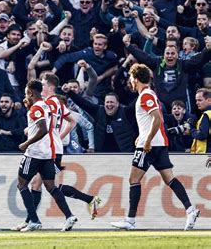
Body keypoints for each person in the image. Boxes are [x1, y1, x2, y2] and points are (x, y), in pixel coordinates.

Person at [111, 63, 200, 231]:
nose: (130, 82)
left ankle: (130, 220)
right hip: (157, 143)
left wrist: (146, 140)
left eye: (131, 79)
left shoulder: (146, 95)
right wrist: (142, 136)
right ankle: (190, 210)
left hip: (150, 145)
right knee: (169, 179)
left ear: (135, 79)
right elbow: (151, 120)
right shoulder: (148, 95)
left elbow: (157, 119)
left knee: (133, 180)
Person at [14, 73, 100, 231]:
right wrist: (59, 137)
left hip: (48, 149)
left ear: (50, 86)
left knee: (51, 186)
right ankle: (31, 220)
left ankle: (86, 202)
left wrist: (47, 135)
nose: (42, 86)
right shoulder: (57, 102)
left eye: (44, 84)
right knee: (38, 185)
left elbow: (47, 125)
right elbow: (72, 121)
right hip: (53, 147)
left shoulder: (49, 104)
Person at [17, 79, 77, 232]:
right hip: (49, 153)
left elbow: (43, 129)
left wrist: (27, 143)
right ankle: (69, 216)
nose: (26, 96)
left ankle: (34, 220)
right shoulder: (45, 105)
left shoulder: (36, 108)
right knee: (51, 187)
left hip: (35, 153)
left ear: (30, 92)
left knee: (22, 185)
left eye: (26, 93)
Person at [188, 88, 211, 153]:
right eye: (196, 100)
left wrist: (191, 130)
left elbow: (202, 135)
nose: (197, 103)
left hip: (206, 154)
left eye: (199, 100)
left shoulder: (207, 114)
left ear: (209, 100)